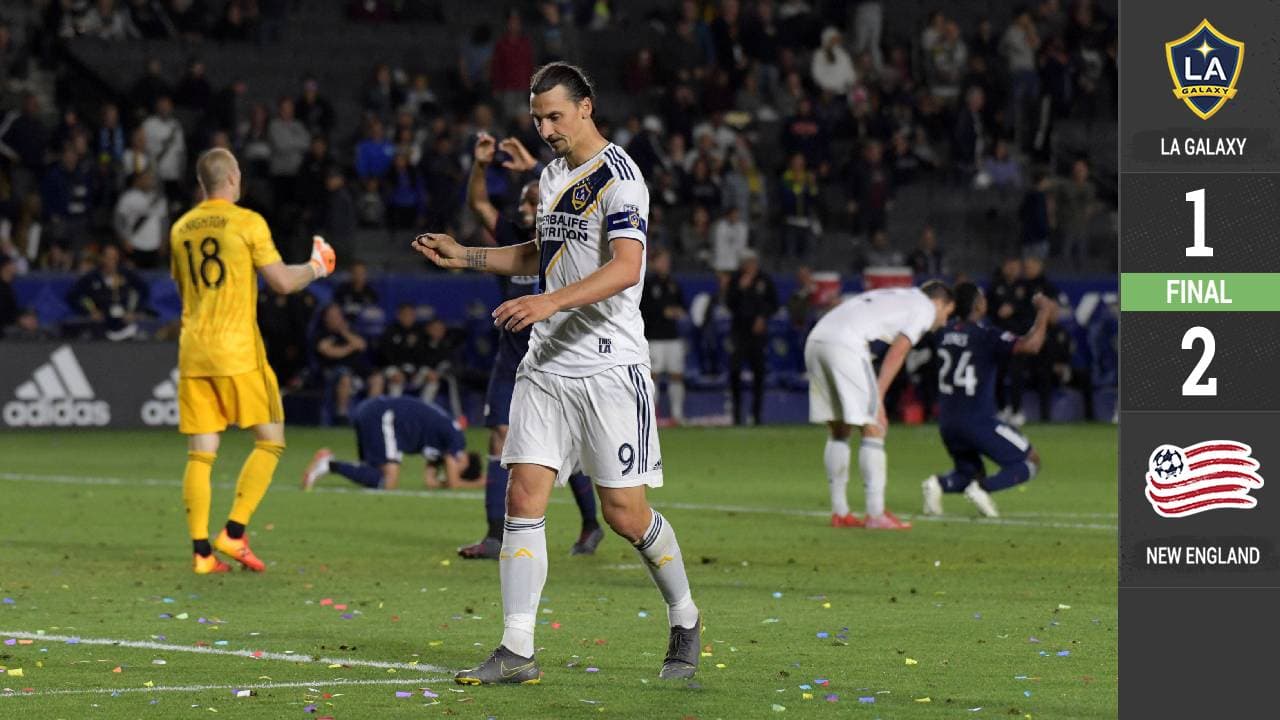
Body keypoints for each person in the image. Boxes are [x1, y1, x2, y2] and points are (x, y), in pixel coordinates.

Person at [413, 61, 701, 684]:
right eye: (538, 117)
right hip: (546, 365)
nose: (545, 128)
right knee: (523, 495)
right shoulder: (551, 175)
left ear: (587, 107)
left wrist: (547, 300)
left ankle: (684, 613)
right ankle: (517, 650)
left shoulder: (621, 180)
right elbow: (541, 255)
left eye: (555, 116)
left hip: (608, 366)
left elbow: (626, 268)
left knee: (625, 513)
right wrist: (464, 255)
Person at [171, 147, 336, 575]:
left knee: (201, 454)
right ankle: (234, 531)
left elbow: (183, 287)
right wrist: (316, 267)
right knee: (270, 439)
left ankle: (202, 553)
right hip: (237, 348)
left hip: (193, 349)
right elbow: (282, 282)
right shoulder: (246, 222)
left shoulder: (181, 227)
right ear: (230, 179)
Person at [456, 130, 603, 560]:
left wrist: (538, 169)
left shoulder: (567, 240)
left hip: (559, 357)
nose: (523, 208)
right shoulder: (510, 238)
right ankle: (494, 535)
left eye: (531, 201)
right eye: (521, 201)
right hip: (511, 359)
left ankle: (591, 524)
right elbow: (479, 204)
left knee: (569, 451)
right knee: (499, 440)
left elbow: (579, 189)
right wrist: (481, 165)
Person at [804, 282, 955, 529]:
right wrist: (879, 397)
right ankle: (876, 514)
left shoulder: (900, 295)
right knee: (875, 426)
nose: (945, 321)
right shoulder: (925, 307)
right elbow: (899, 350)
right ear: (939, 302)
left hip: (817, 339)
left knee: (839, 430)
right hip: (845, 343)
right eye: (947, 313)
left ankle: (840, 512)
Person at [923, 283, 1053, 518]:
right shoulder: (985, 335)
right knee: (1030, 460)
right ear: (977, 305)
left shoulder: (942, 333)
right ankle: (983, 490)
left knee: (969, 473)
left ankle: (937, 484)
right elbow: (1032, 345)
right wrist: (1043, 313)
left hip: (948, 422)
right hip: (977, 420)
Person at [302, 396, 483, 491]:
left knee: (377, 478)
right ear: (464, 462)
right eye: (460, 469)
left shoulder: (440, 449)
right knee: (389, 481)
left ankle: (329, 463)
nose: (453, 466)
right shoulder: (457, 440)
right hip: (383, 416)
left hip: (375, 413)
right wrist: (480, 484)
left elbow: (430, 482)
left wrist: (444, 482)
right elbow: (453, 482)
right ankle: (329, 464)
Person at [725, 250, 777, 426]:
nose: (750, 266)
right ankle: (737, 415)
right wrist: (740, 288)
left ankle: (757, 415)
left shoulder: (765, 280)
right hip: (739, 332)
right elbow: (729, 303)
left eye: (753, 262)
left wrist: (763, 317)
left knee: (759, 373)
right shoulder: (736, 279)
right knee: (735, 372)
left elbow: (774, 303)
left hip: (758, 334)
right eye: (747, 263)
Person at [640, 247, 687, 424]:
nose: (666, 264)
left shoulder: (674, 284)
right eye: (662, 261)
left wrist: (677, 311)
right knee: (653, 376)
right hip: (654, 338)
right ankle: (651, 417)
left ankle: (677, 415)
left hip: (673, 337)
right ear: (653, 263)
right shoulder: (647, 284)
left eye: (667, 261)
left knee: (677, 375)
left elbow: (683, 306)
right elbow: (643, 310)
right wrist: (662, 312)